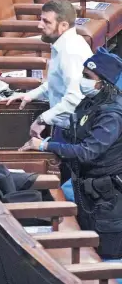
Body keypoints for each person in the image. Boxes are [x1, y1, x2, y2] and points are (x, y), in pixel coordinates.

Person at [19, 47, 122, 259]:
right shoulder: (91, 102)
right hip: (87, 189)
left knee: (106, 252)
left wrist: (45, 146)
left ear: (103, 83)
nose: (82, 80)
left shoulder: (111, 114)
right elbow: (76, 132)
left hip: (107, 195)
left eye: (87, 77)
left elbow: (87, 151)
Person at [6, 0, 93, 183]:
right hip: (65, 127)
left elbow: (75, 97)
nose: (39, 25)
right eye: (41, 19)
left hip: (74, 132)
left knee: (68, 184)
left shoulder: (70, 52)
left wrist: (42, 119)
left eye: (46, 21)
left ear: (62, 25)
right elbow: (55, 83)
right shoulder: (63, 44)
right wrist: (31, 95)